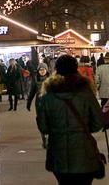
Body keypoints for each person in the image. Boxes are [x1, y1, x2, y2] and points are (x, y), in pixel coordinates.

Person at [37, 55, 104, 185]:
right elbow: (97, 124)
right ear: (76, 69)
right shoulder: (86, 94)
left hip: (58, 153)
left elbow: (44, 128)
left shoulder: (47, 97)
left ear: (56, 70)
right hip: (83, 153)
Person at [26, 63, 50, 148]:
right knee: (41, 121)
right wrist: (28, 104)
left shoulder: (51, 79)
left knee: (49, 121)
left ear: (46, 70)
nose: (42, 71)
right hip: (39, 104)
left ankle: (48, 137)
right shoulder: (35, 80)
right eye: (40, 70)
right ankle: (44, 138)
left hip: (49, 104)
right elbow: (32, 92)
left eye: (43, 69)